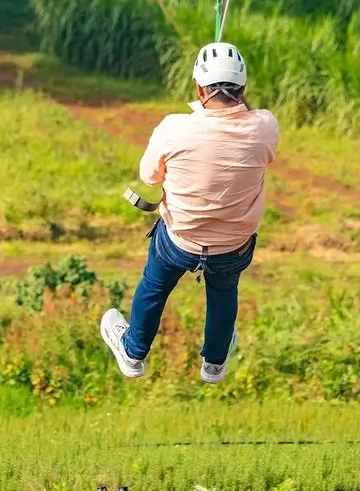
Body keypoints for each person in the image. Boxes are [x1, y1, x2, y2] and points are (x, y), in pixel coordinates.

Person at [99, 41, 280, 384]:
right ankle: (214, 363)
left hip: (180, 240)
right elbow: (252, 122)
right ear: (243, 88)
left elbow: (149, 176)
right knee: (224, 289)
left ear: (198, 88)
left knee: (156, 282)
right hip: (234, 244)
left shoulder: (173, 128)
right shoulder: (265, 127)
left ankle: (133, 352)